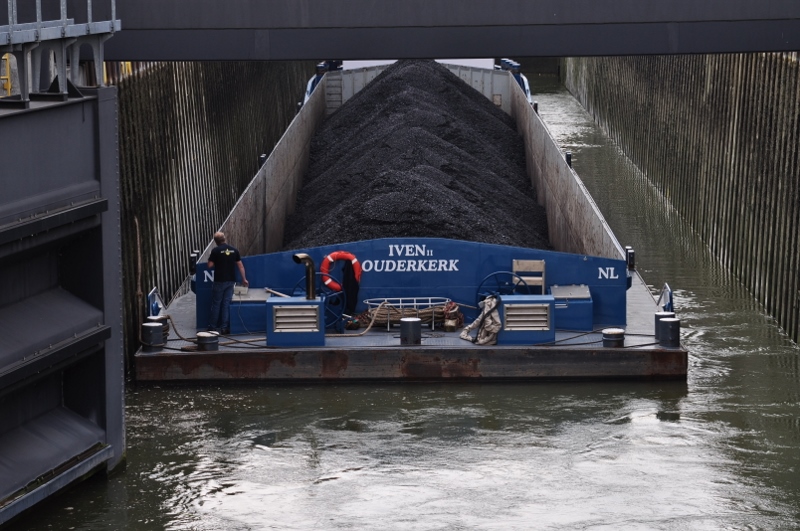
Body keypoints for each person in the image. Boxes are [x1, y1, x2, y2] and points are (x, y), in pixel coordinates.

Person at [207, 231, 248, 334]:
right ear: (224, 239)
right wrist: (244, 279)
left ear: (216, 241)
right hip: (231, 281)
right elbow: (240, 266)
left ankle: (212, 327)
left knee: (216, 304)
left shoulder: (215, 251)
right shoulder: (234, 250)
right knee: (226, 304)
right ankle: (224, 328)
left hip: (219, 281)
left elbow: (210, 265)